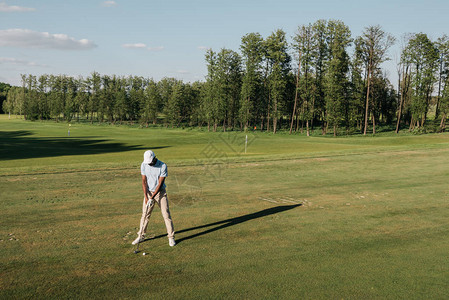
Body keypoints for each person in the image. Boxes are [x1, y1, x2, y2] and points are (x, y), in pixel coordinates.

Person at [132, 150, 176, 247]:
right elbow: (144, 181)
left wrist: (152, 197)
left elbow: (160, 184)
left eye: (150, 162)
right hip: (148, 193)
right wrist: (146, 197)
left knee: (166, 215)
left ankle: (171, 237)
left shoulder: (163, 166)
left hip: (160, 193)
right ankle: (141, 236)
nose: (149, 164)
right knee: (145, 215)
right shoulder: (144, 165)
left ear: (154, 158)